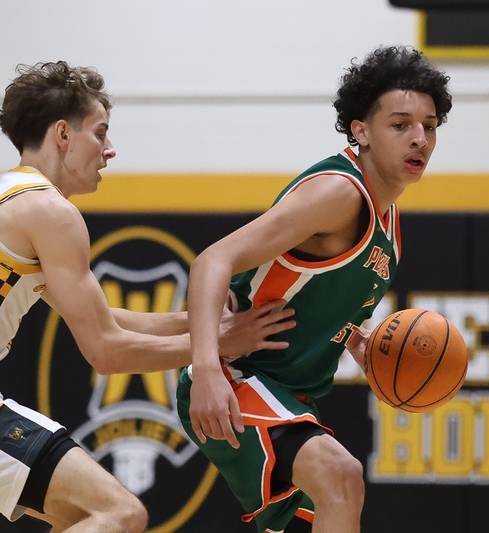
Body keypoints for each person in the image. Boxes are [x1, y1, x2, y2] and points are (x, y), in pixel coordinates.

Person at [0, 61, 296, 532]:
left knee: (82, 515)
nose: (110, 150)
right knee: (117, 513)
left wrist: (204, 325)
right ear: (62, 134)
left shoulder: (15, 198)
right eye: (100, 133)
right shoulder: (50, 213)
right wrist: (216, 347)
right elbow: (107, 351)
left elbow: (110, 320)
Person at [178, 45, 452, 533]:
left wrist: (360, 343)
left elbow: (313, 297)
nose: (420, 139)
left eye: (429, 126)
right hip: (236, 375)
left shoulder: (388, 221)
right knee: (342, 478)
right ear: (360, 130)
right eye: (401, 124)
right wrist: (205, 370)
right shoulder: (338, 194)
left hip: (289, 393)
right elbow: (211, 262)